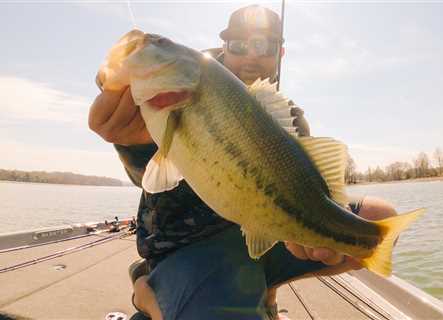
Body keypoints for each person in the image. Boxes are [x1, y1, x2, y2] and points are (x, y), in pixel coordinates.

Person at [89, 5, 397, 320]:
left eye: (264, 46)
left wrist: (307, 229)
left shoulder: (288, 116)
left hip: (255, 232)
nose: (251, 56)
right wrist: (133, 146)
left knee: (378, 223)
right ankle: (148, 292)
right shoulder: (187, 81)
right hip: (188, 244)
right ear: (223, 47)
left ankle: (265, 286)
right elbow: (151, 176)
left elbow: (310, 187)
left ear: (281, 53)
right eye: (238, 45)